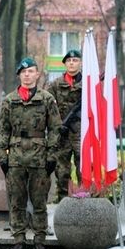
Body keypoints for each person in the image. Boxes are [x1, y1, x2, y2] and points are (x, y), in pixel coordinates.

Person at [0, 57, 61, 249]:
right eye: (23, 72)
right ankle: (19, 243)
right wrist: (2, 156)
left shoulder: (47, 99)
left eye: (31, 71)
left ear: (37, 74)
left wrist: (52, 156)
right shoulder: (9, 100)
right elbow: (3, 130)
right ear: (19, 75)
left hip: (39, 157)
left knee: (39, 201)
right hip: (15, 157)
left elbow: (55, 129)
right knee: (16, 201)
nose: (27, 75)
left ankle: (40, 244)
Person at [47, 49, 82, 202]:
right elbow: (48, 107)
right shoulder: (55, 84)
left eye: (75, 60)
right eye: (69, 61)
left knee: (84, 168)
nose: (72, 63)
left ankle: (85, 199)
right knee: (61, 170)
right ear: (65, 64)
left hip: (82, 133)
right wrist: (57, 125)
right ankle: (62, 201)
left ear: (80, 63)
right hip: (63, 133)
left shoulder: (87, 84)